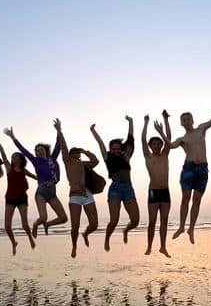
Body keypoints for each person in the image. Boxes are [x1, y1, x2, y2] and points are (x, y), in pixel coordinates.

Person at [170, 89, 211, 244]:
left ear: (192, 120)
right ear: (181, 123)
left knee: (197, 200)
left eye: (188, 119)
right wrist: (164, 130)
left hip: (202, 168)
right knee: (186, 197)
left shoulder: (201, 129)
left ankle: (191, 229)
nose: (187, 121)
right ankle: (181, 226)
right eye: (184, 120)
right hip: (189, 168)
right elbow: (170, 146)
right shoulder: (182, 139)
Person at [90, 116, 139, 251]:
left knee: (135, 221)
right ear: (110, 149)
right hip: (115, 189)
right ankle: (107, 239)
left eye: (118, 148)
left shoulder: (126, 157)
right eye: (113, 148)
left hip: (128, 189)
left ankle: (126, 230)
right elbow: (100, 143)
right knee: (114, 220)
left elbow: (131, 139)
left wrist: (131, 122)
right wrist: (93, 131)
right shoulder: (108, 157)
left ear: (121, 149)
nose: (116, 150)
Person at [8, 128, 68, 236]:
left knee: (63, 218)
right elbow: (23, 150)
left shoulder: (53, 159)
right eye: (37, 151)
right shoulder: (36, 161)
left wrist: (59, 130)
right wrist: (13, 138)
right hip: (41, 192)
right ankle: (35, 224)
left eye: (41, 149)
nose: (39, 152)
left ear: (45, 150)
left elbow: (58, 144)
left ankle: (47, 225)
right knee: (43, 217)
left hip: (52, 193)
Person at [54, 118, 99, 258]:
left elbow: (95, 161)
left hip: (87, 194)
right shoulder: (67, 161)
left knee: (94, 224)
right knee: (75, 226)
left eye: (77, 153)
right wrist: (59, 130)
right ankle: (74, 246)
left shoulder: (83, 163)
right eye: (74, 153)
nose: (76, 155)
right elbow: (63, 146)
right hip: (75, 196)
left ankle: (86, 234)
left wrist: (85, 151)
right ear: (70, 154)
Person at [0, 127, 37, 255]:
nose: (13, 158)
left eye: (15, 156)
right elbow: (2, 152)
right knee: (7, 226)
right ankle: (14, 242)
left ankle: (30, 237)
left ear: (20, 159)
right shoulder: (8, 168)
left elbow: (36, 177)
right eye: (12, 157)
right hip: (10, 198)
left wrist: (48, 179)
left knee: (24, 225)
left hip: (22, 198)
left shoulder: (23, 170)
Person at [142, 111, 172, 257]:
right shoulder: (148, 156)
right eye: (154, 143)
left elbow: (169, 138)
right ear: (150, 146)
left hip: (165, 191)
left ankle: (163, 247)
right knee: (152, 221)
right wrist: (146, 123)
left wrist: (165, 120)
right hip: (153, 191)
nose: (156, 145)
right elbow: (143, 139)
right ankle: (149, 246)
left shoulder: (165, 154)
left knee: (164, 220)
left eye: (159, 143)